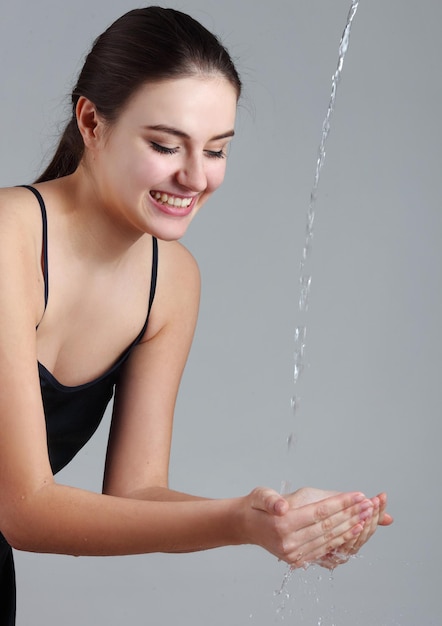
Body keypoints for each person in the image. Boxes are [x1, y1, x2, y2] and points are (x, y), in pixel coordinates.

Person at [0, 6, 392, 624]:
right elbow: (23, 509)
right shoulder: (7, 240)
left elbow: (135, 495)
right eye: (164, 145)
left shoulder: (171, 283)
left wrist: (276, 518)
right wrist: (238, 521)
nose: (194, 176)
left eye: (216, 150)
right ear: (91, 120)